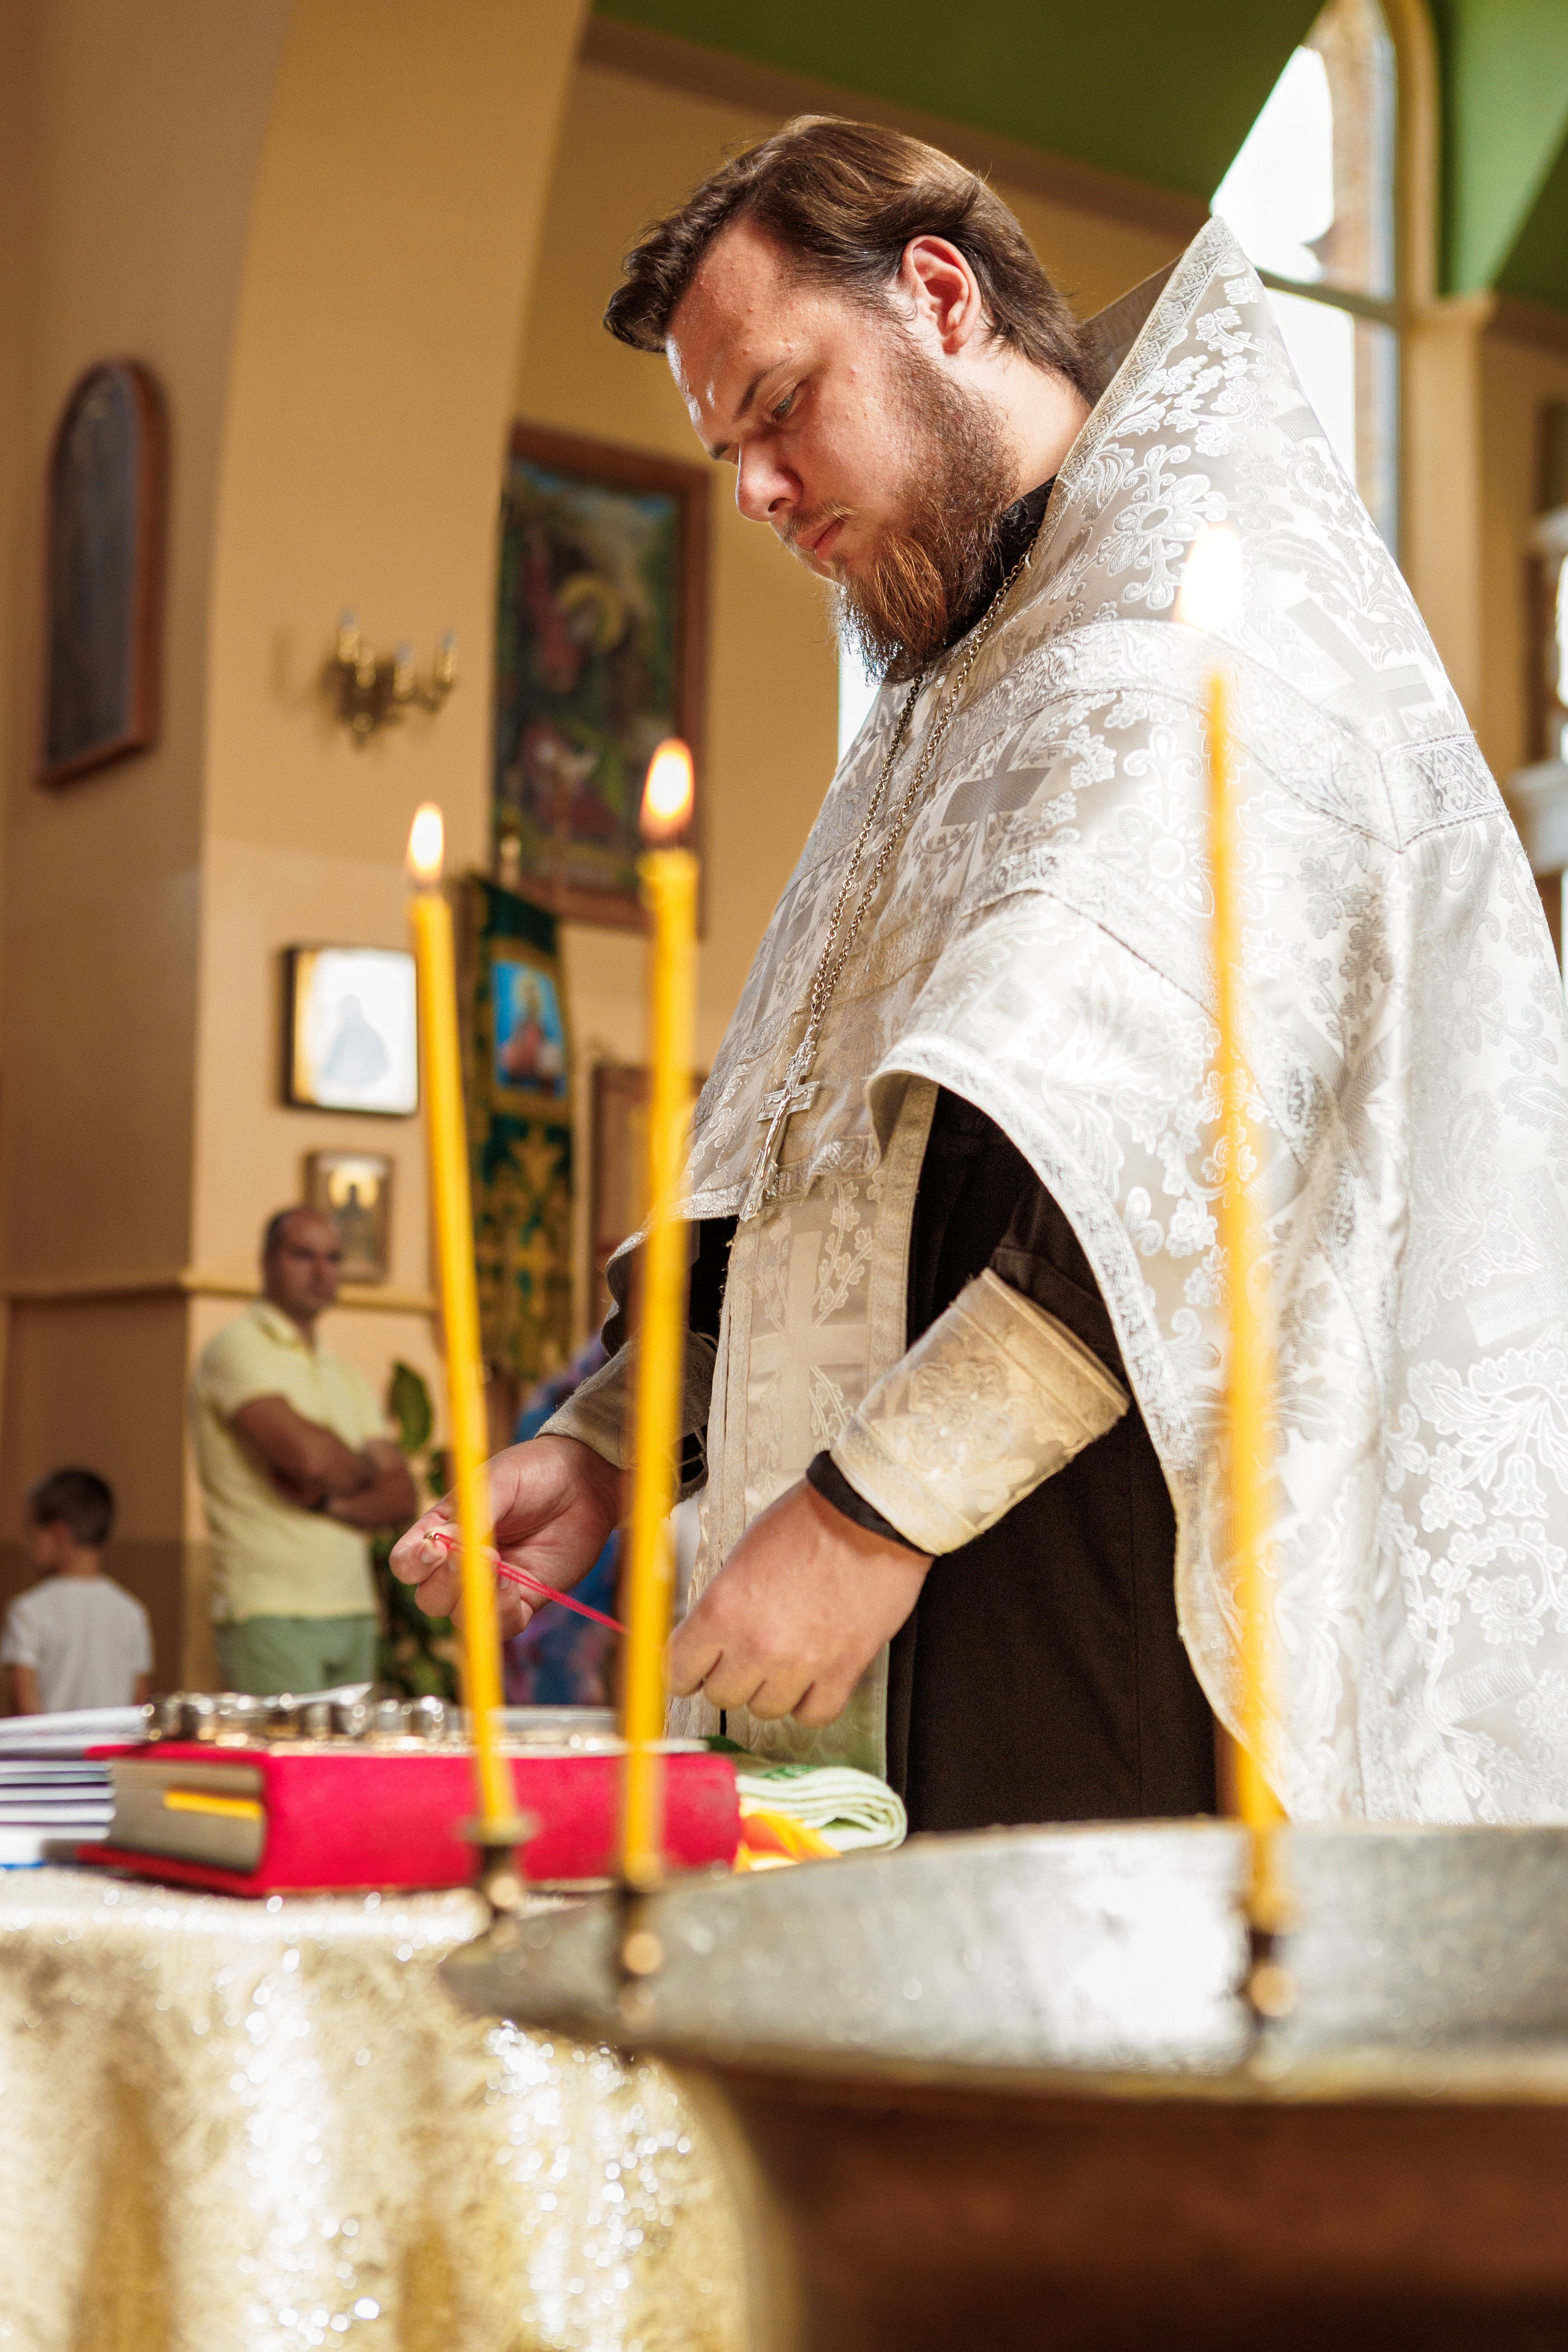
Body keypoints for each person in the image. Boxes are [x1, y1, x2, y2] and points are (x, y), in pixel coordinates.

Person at [395, 119, 1568, 1830]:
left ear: (939, 296)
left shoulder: (1197, 638)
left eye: (779, 406)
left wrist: (869, 1515)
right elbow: (808, 1173)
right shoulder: (938, 717)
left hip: (1127, 1641)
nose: (760, 496)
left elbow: (1191, 1164)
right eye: (724, 453)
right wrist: (602, 1441)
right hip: (925, 1657)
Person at [193, 1208, 416, 1695]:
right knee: (287, 1766)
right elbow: (307, 1460)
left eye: (333, 1259)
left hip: (353, 1607)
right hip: (269, 1608)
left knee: (351, 1771)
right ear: (267, 1261)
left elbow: (402, 1497)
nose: (322, 1272)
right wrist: (364, 1469)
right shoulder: (235, 1349)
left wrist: (327, 1501)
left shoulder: (346, 1376)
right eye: (304, 1255)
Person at [1, 1469, 152, 1714]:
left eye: (31, 1534)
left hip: (48, 1751)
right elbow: (139, 1705)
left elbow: (24, 1708)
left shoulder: (27, 1610)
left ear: (58, 1534)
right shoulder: (132, 1611)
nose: (25, 1545)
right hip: (110, 1750)